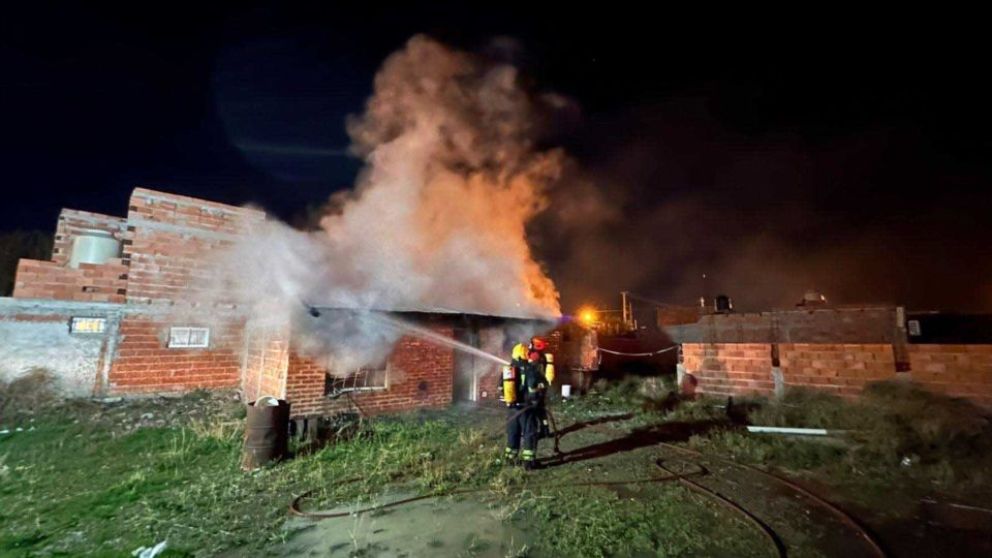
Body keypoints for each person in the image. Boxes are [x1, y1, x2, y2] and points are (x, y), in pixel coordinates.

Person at [502, 347, 549, 470]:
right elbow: (536, 386)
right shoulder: (530, 369)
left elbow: (501, 388)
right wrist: (536, 399)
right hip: (526, 409)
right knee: (529, 433)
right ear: (525, 354)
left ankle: (510, 459)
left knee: (513, 433)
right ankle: (529, 463)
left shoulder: (508, 370)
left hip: (512, 409)